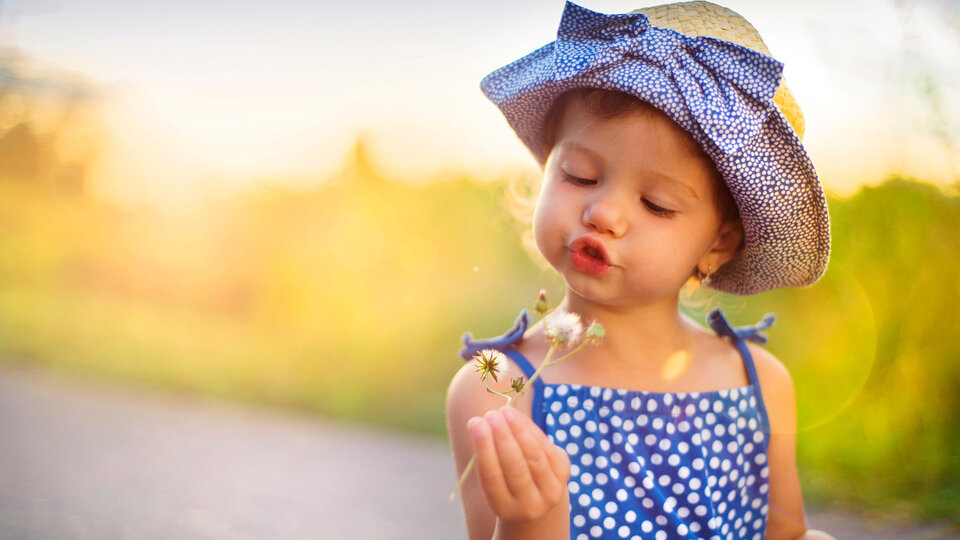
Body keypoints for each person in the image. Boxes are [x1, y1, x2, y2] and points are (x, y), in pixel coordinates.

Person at [447, 2, 837, 539]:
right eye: (580, 175)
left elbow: (788, 534)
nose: (603, 213)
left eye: (656, 204)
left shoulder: (759, 384)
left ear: (719, 243)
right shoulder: (499, 388)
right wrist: (530, 523)